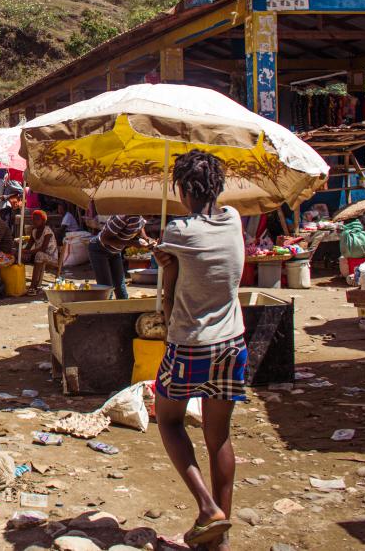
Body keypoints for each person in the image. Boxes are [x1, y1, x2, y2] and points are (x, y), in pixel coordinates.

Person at [152, 150, 246, 551]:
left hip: (190, 343)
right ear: (218, 186)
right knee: (218, 437)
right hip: (233, 341)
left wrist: (166, 263)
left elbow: (169, 301)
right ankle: (217, 541)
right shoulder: (234, 220)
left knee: (169, 422)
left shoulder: (178, 231)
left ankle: (207, 508)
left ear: (183, 189)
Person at [88, 214, 146, 299]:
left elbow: (140, 227)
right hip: (99, 250)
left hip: (115, 251)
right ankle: (106, 311)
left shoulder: (140, 217)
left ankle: (124, 310)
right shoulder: (123, 217)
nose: (152, 216)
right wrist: (133, 243)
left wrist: (146, 239)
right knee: (106, 288)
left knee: (120, 288)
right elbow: (105, 239)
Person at [23, 209, 59, 291]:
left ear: (43, 221)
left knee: (39, 254)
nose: (34, 221)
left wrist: (28, 252)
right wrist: (21, 251)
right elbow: (28, 247)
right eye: (33, 219)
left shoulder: (47, 231)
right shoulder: (34, 231)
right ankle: (20, 283)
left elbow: (43, 249)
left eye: (37, 219)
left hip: (52, 258)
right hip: (40, 256)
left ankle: (33, 286)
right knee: (20, 256)